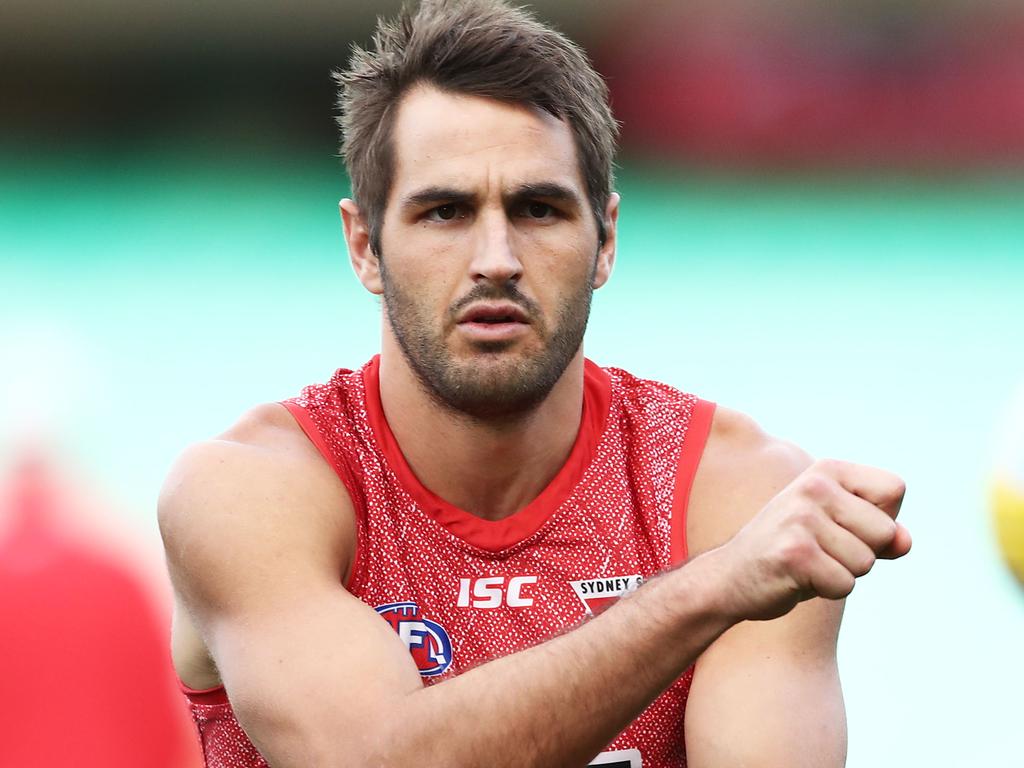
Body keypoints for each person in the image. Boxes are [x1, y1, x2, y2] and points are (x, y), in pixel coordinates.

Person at [158, 1, 912, 766]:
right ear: (365, 247)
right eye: (445, 211)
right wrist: (704, 592)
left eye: (539, 209)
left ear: (606, 240)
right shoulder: (253, 493)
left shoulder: (732, 499)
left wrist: (729, 572)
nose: (496, 258)